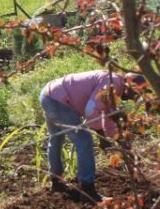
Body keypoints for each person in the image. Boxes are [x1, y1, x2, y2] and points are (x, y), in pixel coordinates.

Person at [39, 71, 145, 202]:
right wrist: (101, 137)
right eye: (136, 93)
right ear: (130, 86)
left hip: (49, 94)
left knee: (56, 139)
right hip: (60, 100)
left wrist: (120, 141)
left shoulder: (113, 83)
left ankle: (56, 182)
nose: (132, 98)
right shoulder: (114, 83)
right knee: (84, 141)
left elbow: (107, 116)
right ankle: (88, 191)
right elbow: (91, 110)